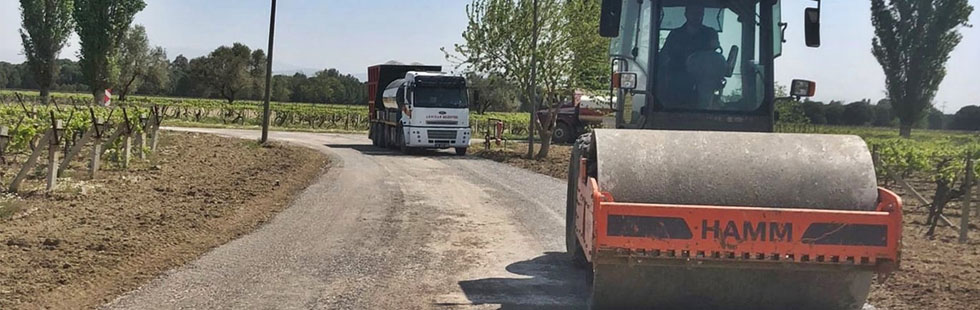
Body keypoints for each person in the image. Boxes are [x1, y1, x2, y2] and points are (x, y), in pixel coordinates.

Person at [659, 5, 722, 107]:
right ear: (686, 15)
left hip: (703, 83)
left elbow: (714, 57)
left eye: (700, 14)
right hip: (677, 81)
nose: (698, 16)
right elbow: (664, 56)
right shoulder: (675, 34)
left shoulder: (710, 33)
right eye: (694, 13)